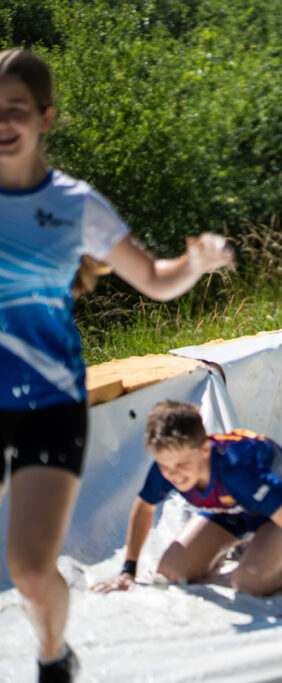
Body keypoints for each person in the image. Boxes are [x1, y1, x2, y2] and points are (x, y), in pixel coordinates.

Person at [0, 49, 234, 682]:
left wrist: (196, 263)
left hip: (48, 405)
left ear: (45, 117)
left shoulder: (75, 206)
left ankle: (53, 655)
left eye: (15, 110)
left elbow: (155, 279)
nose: (1, 122)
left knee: (27, 568)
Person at [91, 401, 282, 616]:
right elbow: (144, 506)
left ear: (205, 449)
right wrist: (128, 571)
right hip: (231, 508)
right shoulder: (169, 464)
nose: (175, 475)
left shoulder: (237, 469)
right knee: (173, 572)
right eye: (165, 466)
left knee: (249, 582)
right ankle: (250, 546)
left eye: (182, 465)